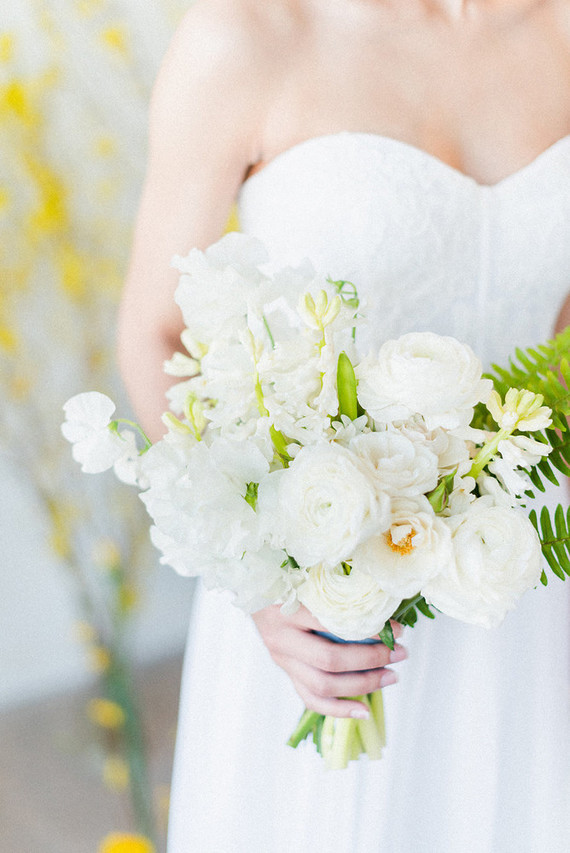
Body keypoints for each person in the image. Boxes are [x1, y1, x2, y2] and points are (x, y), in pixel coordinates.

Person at [117, 1, 570, 850]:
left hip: (527, 573)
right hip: (319, 598)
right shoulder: (247, 35)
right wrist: (263, 572)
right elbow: (156, 332)